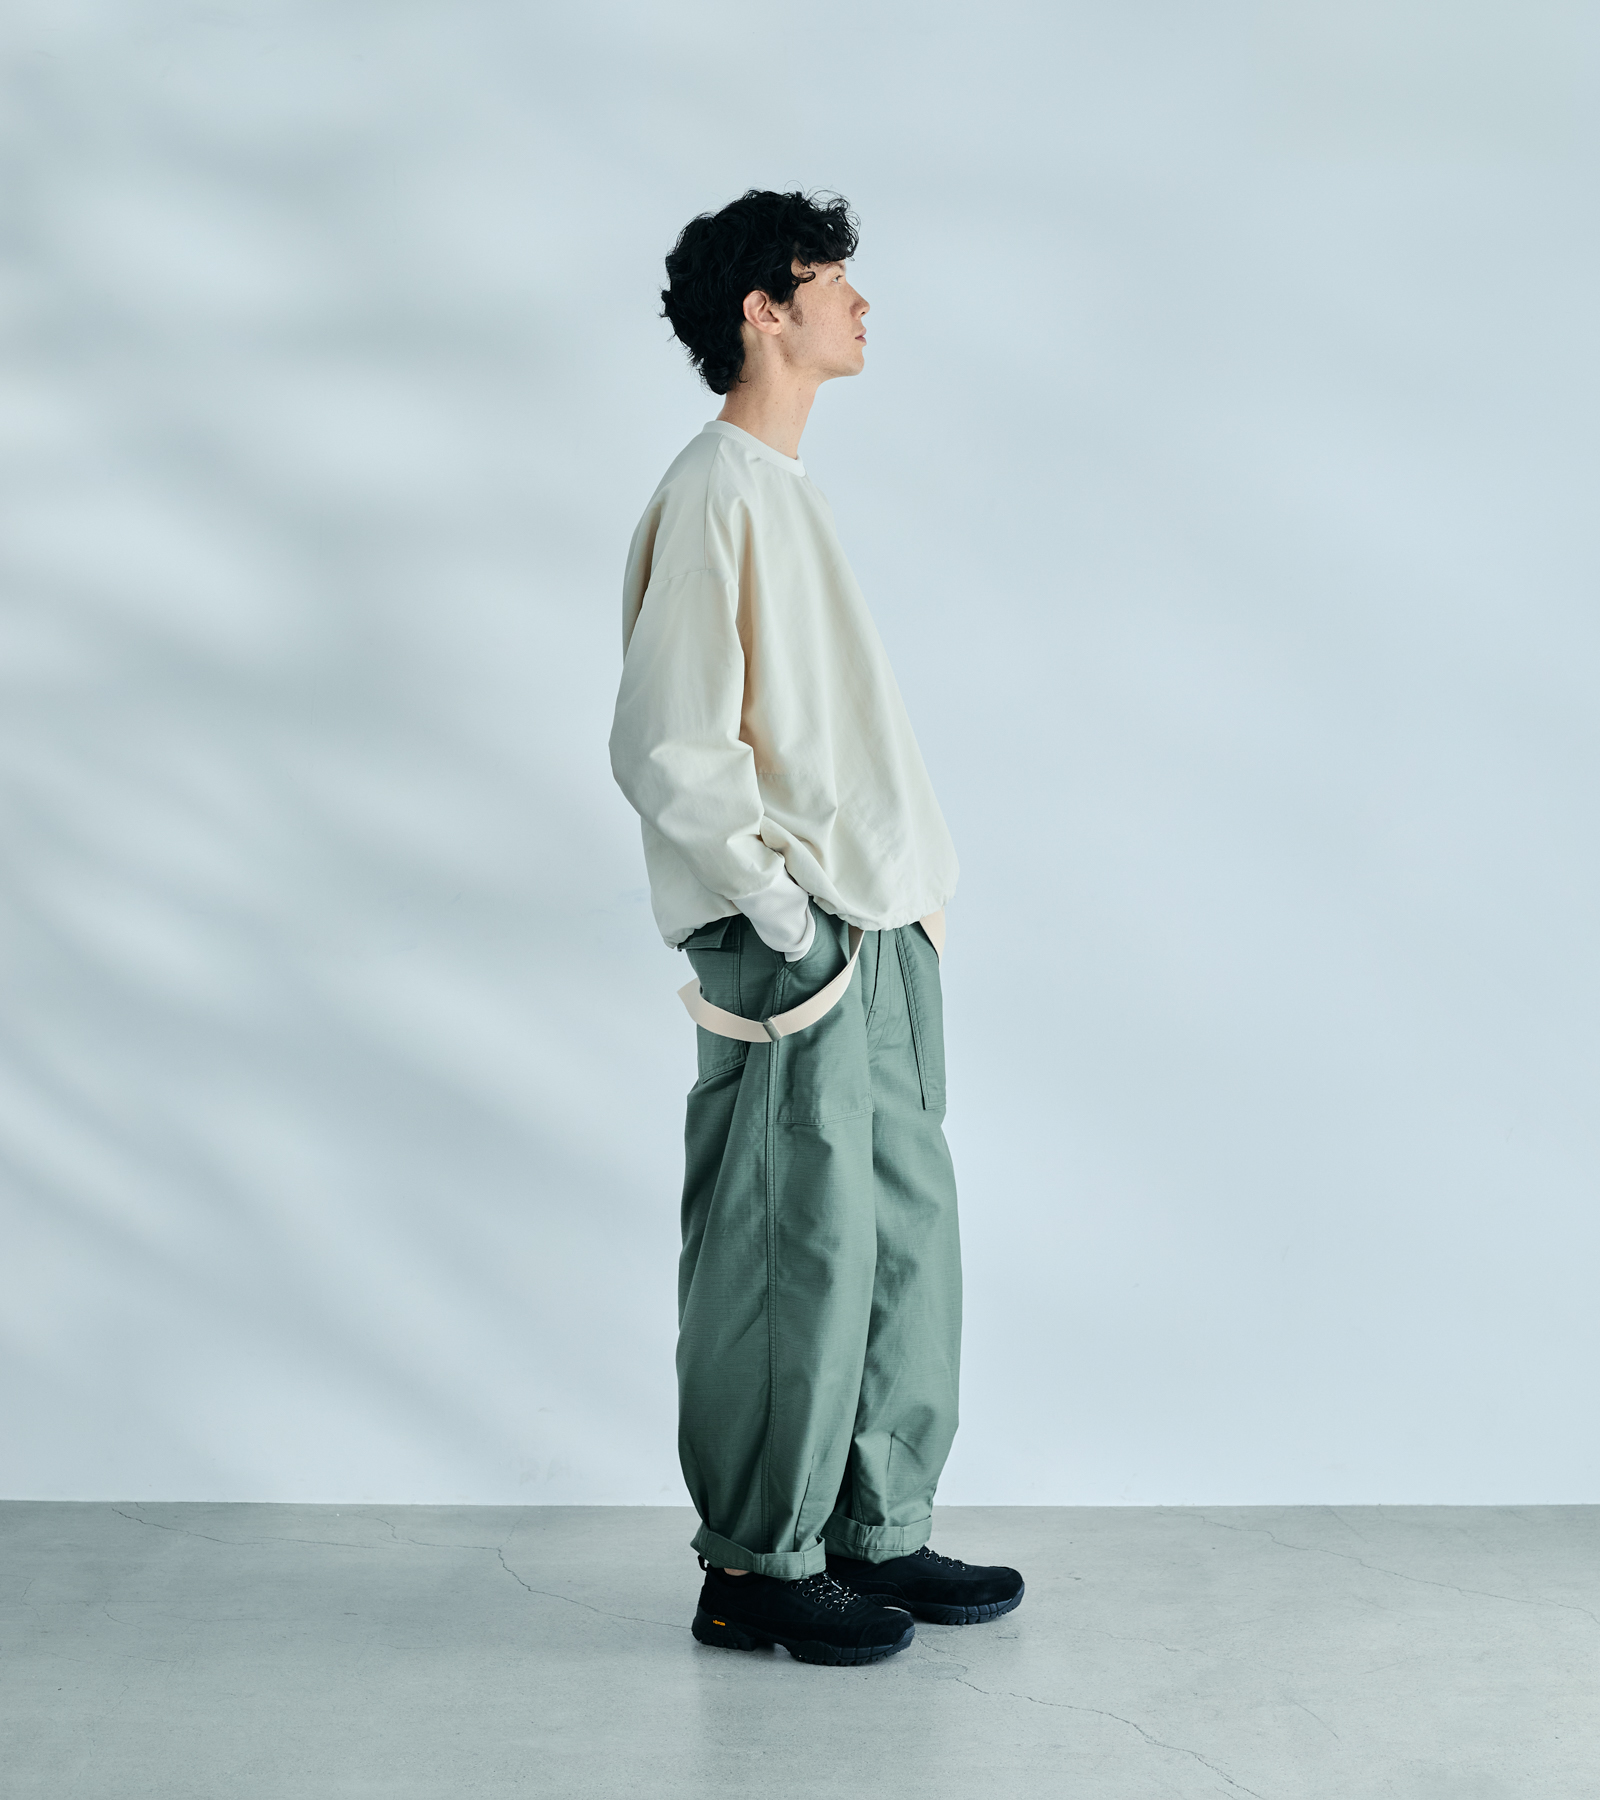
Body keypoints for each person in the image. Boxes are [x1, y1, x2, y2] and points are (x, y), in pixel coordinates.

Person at [608, 189, 1023, 1667]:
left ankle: (874, 1529)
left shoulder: (784, 493)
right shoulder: (715, 492)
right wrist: (782, 911)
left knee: (902, 1243)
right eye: (829, 278)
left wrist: (905, 910)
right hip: (800, 942)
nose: (859, 301)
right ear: (762, 311)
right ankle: (757, 1564)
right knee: (792, 1250)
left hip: (878, 932)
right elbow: (670, 741)